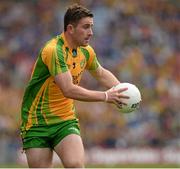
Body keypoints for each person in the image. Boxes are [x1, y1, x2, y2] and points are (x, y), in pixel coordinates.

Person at [20, 3, 129, 168]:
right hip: (37, 123)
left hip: (65, 121)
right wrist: (106, 96)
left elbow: (100, 72)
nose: (91, 32)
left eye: (91, 27)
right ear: (70, 29)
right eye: (86, 27)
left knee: (76, 165)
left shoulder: (86, 51)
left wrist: (123, 90)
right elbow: (68, 90)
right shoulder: (54, 51)